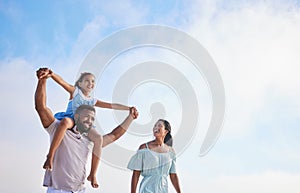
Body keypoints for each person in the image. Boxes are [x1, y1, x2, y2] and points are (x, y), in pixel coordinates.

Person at [35, 68, 138, 192]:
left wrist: (129, 113)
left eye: (92, 118)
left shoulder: (89, 139)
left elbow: (114, 131)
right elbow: (43, 105)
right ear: (80, 83)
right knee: (66, 122)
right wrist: (47, 77)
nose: (90, 84)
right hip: (59, 189)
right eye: (87, 81)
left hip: (79, 189)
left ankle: (93, 174)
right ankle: (50, 156)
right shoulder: (59, 125)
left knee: (98, 138)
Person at [127, 119, 181, 193]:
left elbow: (173, 175)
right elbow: (136, 174)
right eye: (155, 125)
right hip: (146, 190)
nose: (156, 127)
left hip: (163, 190)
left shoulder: (171, 152)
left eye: (159, 125)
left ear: (166, 131)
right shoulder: (144, 148)